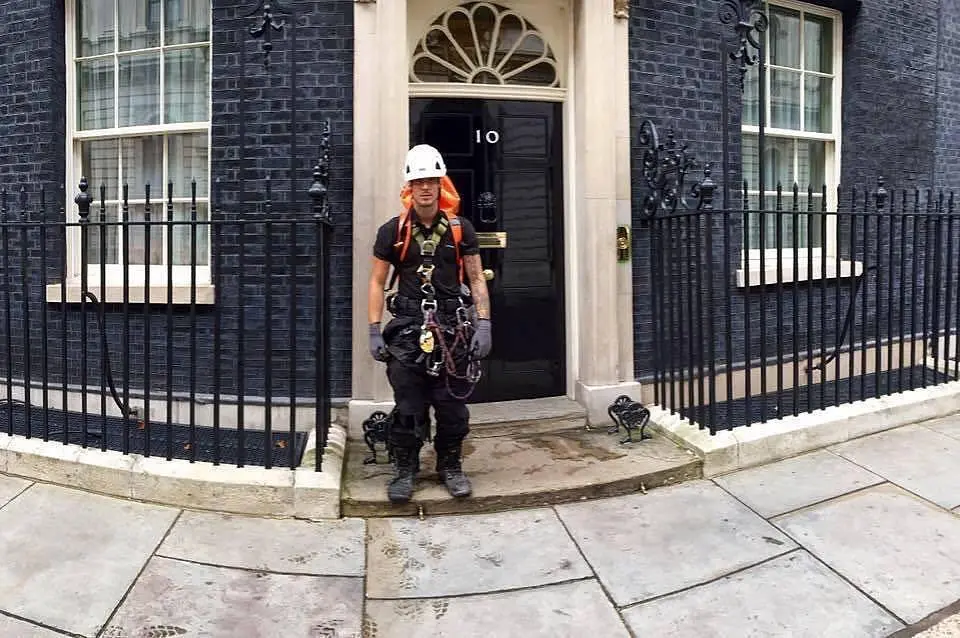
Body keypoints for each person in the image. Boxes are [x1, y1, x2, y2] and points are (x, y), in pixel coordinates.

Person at [367, 144, 493, 504]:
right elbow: (377, 281)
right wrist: (374, 330)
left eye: (431, 181)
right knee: (408, 405)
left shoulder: (460, 229)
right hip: (407, 331)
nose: (425, 188)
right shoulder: (392, 232)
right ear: (409, 187)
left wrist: (484, 323)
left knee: (452, 405)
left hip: (453, 329)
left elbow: (476, 278)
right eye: (418, 181)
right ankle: (405, 469)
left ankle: (450, 466)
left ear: (441, 185)